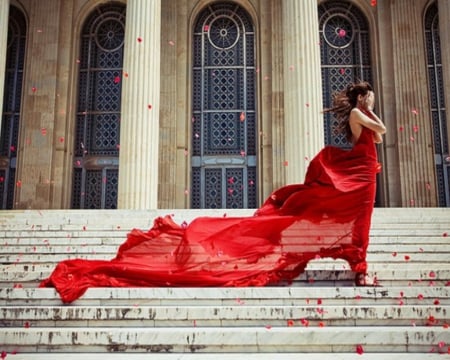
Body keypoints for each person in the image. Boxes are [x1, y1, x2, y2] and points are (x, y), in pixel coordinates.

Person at [40, 81, 385, 303]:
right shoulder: (359, 112)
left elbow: (379, 138)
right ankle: (360, 267)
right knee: (355, 217)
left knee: (358, 219)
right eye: (368, 96)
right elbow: (380, 129)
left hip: (365, 172)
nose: (370, 99)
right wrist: (369, 112)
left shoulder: (362, 114)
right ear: (360, 97)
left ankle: (359, 263)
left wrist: (372, 121)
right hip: (361, 172)